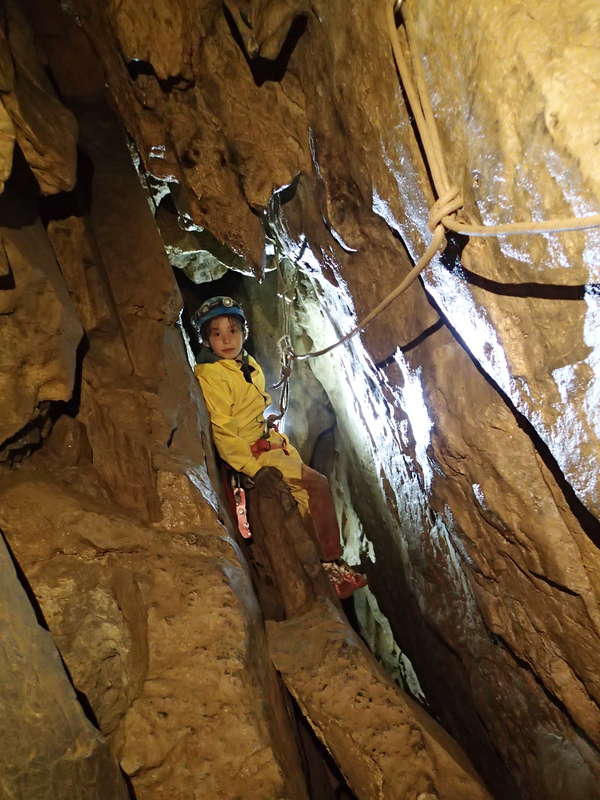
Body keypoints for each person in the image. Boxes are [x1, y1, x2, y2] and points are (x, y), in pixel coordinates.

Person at [192, 295, 367, 599]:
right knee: (317, 485)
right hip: (253, 453)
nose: (226, 339)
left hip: (269, 441)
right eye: (217, 333)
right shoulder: (212, 376)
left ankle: (320, 561)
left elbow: (250, 403)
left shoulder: (247, 364)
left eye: (233, 330)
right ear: (206, 341)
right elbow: (223, 431)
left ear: (244, 333)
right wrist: (254, 470)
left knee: (301, 499)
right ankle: (329, 561)